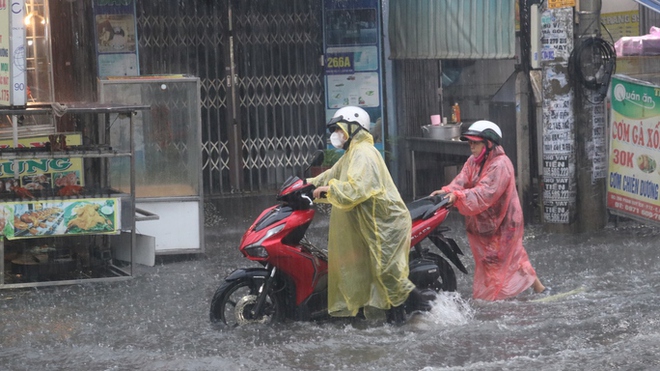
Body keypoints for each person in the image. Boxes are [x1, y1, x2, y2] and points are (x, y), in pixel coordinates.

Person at [309, 106, 426, 322]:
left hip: (385, 223)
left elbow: (357, 189)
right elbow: (330, 175)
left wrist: (329, 190)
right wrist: (303, 186)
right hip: (371, 223)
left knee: (387, 274)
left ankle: (424, 309)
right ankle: (391, 319)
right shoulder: (352, 153)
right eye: (335, 130)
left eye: (340, 129)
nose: (337, 134)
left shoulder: (363, 153)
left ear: (354, 128)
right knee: (376, 274)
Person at [430, 120, 548, 301]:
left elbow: (485, 193)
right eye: (469, 143)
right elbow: (461, 180)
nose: (471, 147)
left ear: (489, 143)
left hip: (505, 222)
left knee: (495, 260)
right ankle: (540, 289)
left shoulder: (500, 164)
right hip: (487, 221)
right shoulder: (473, 162)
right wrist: (448, 191)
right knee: (514, 256)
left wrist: (457, 197)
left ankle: (492, 299)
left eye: (475, 143)